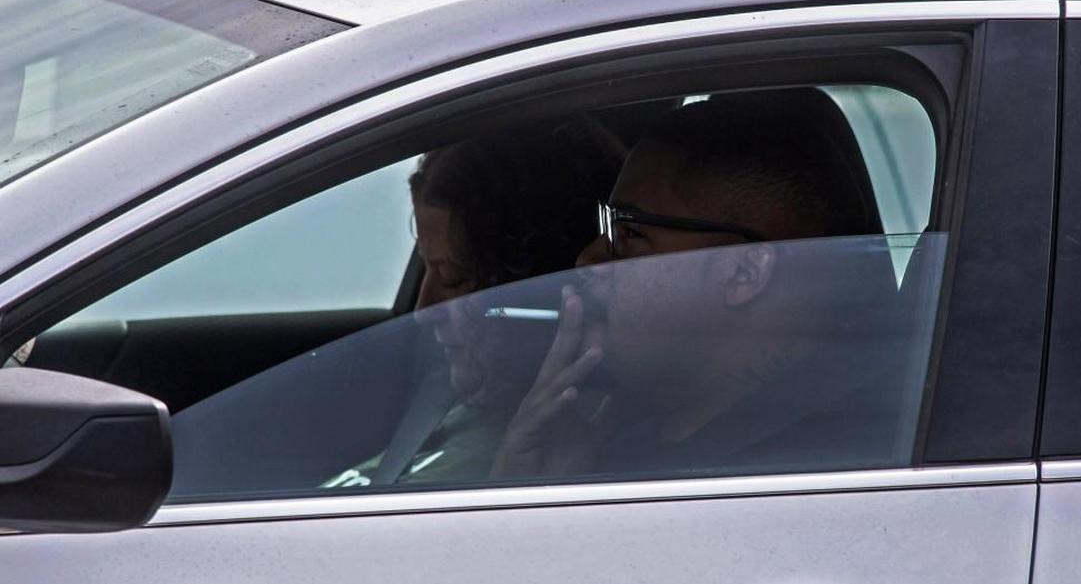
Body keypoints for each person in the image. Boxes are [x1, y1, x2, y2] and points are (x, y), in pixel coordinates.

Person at [490, 88, 897, 478]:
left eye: (630, 234)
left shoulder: (808, 477)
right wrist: (542, 487)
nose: (588, 260)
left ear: (744, 272)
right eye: (608, 225)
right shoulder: (611, 447)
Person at [323, 115, 621, 488]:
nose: (422, 311)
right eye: (426, 268)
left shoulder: (555, 456)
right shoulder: (462, 405)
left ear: (542, 286)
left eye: (453, 278)